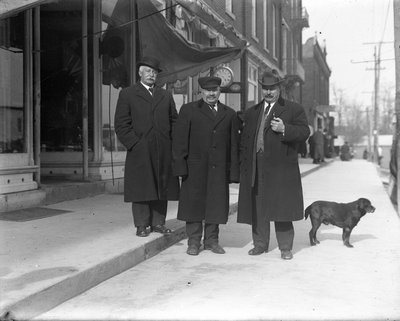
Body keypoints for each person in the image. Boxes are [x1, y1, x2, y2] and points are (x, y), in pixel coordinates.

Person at [237, 70, 310, 260]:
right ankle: (260, 244)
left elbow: (304, 132)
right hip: (257, 166)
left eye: (273, 88)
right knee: (258, 206)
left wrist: (286, 129)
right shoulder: (252, 112)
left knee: (281, 207)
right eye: (265, 88)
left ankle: (285, 247)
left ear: (279, 88)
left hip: (281, 168)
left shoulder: (293, 109)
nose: (269, 92)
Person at [172, 76, 240, 256]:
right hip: (194, 169)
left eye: (215, 90)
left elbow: (234, 145)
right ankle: (193, 242)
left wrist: (233, 172)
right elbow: (179, 141)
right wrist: (180, 167)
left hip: (218, 169)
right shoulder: (189, 110)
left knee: (215, 205)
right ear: (201, 91)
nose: (211, 93)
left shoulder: (229, 113)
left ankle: (212, 241)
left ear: (220, 91)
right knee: (194, 206)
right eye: (208, 90)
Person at [114, 56, 179, 237]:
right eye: (148, 71)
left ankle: (158, 223)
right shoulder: (127, 94)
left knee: (162, 185)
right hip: (140, 150)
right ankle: (141, 225)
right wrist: (135, 144)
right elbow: (121, 124)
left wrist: (172, 144)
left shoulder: (165, 95)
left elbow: (174, 121)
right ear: (140, 73)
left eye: (154, 72)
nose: (151, 75)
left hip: (163, 149)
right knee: (142, 187)